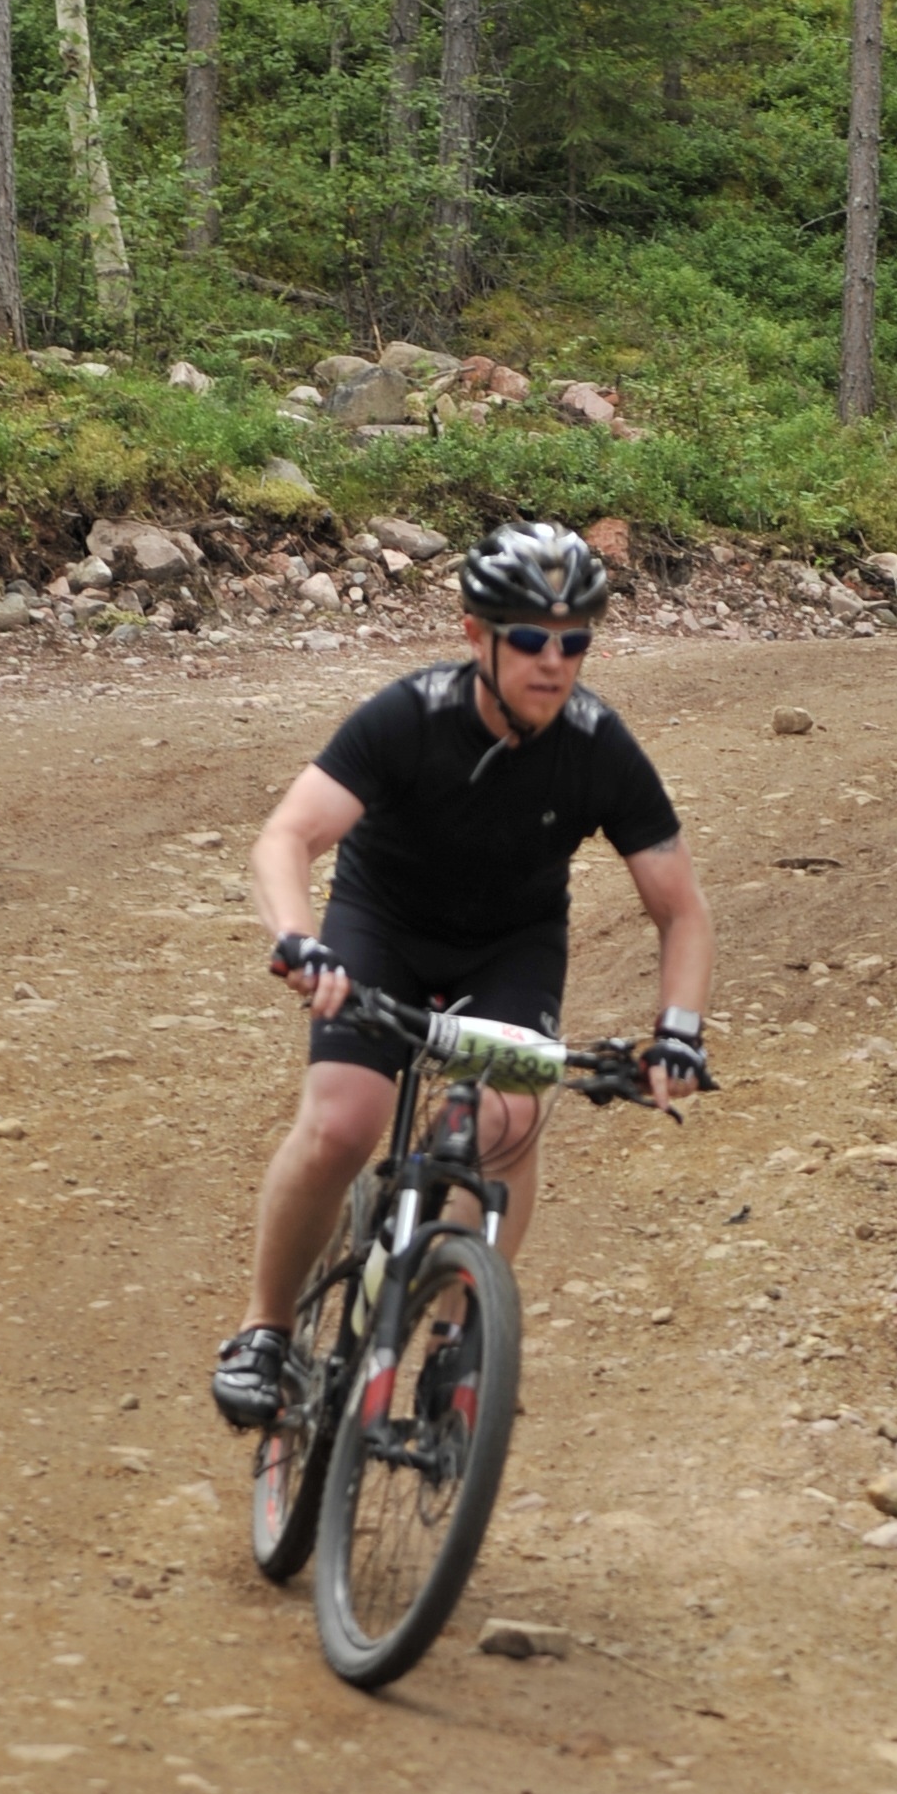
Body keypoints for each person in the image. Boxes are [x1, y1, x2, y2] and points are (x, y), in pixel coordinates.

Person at [209, 518, 714, 1431]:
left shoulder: (598, 744)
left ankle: (455, 1344)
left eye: (574, 642)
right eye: (528, 637)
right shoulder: (411, 715)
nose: (553, 662)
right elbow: (286, 839)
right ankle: (265, 1330)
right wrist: (300, 940)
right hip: (383, 929)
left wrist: (678, 1031)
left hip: (509, 947)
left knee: (508, 1124)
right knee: (342, 1123)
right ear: (476, 634)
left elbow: (680, 909)